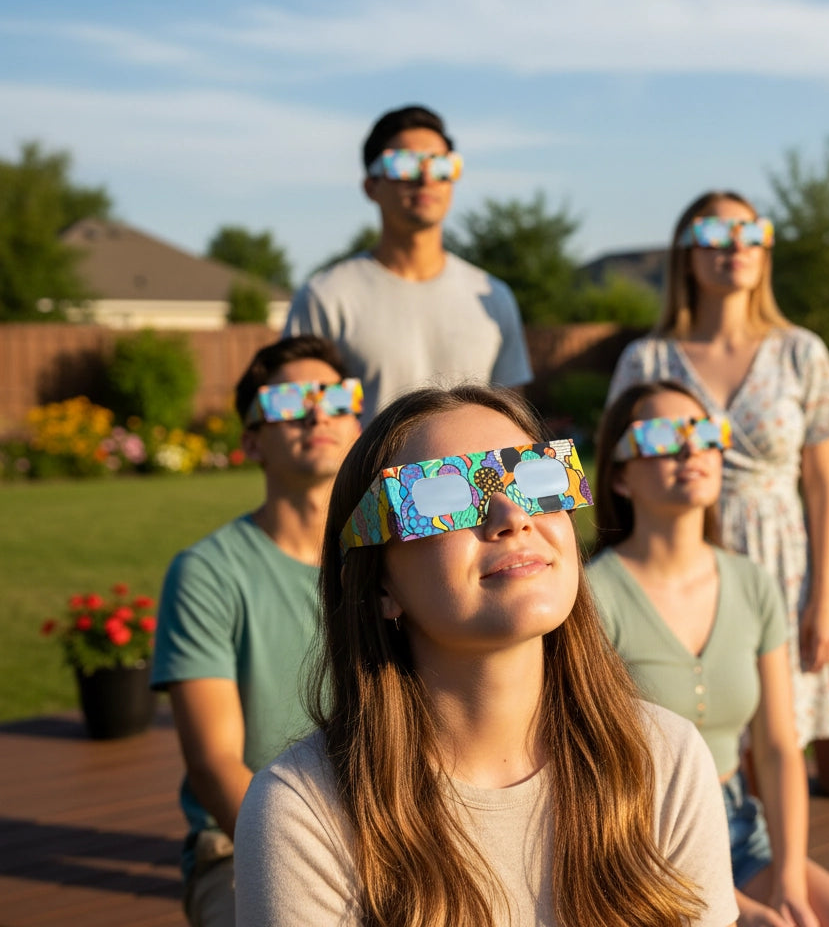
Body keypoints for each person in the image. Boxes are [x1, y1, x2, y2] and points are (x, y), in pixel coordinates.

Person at [234, 384, 739, 927]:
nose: (510, 513)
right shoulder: (304, 810)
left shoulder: (664, 761)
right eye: (443, 495)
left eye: (535, 475)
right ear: (380, 584)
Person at [587, 381, 829, 927]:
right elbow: (590, 778)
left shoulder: (753, 584)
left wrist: (790, 880)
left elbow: (777, 748)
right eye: (662, 438)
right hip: (637, 842)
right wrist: (741, 908)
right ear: (619, 476)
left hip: (737, 828)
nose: (691, 451)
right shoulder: (592, 597)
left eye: (706, 434)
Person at [607, 191, 829, 747]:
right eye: (715, 236)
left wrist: (826, 597)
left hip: (780, 560)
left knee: (776, 737)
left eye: (750, 233)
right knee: (676, 735)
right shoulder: (647, 360)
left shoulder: (801, 353)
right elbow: (620, 466)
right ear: (685, 254)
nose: (735, 247)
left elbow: (822, 484)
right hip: (673, 558)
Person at [151, 335, 363, 927]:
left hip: (395, 825)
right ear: (251, 440)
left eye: (335, 398)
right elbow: (216, 765)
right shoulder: (207, 573)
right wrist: (325, 856)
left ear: (358, 422)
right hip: (247, 840)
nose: (317, 413)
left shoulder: (397, 561)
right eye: (290, 403)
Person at [283, 104, 533, 420]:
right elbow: (303, 424)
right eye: (405, 165)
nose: (426, 177)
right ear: (370, 186)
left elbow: (512, 425)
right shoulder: (327, 299)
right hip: (368, 472)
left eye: (441, 165)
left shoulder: (493, 299)